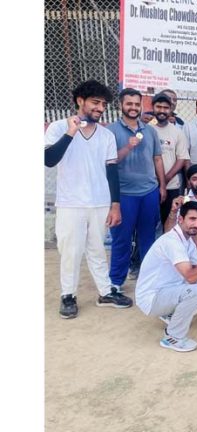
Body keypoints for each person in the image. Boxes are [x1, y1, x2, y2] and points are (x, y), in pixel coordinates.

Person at [44, 79, 132, 318]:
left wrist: (115, 204)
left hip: (100, 202)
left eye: (103, 104)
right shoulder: (58, 127)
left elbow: (111, 170)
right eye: (95, 102)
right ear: (79, 101)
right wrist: (71, 132)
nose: (100, 108)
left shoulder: (105, 135)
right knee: (71, 251)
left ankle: (105, 292)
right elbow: (49, 159)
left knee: (97, 250)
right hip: (71, 202)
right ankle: (68, 295)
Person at [135, 201, 197, 352]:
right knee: (195, 290)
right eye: (192, 219)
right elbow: (191, 277)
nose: (196, 224)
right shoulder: (172, 242)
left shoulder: (187, 241)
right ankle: (173, 337)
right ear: (181, 220)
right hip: (152, 298)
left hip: (169, 291)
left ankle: (171, 314)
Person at [107, 88, 167, 293]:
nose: (133, 108)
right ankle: (116, 282)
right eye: (129, 104)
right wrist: (128, 147)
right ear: (121, 105)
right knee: (121, 239)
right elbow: (109, 161)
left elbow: (157, 159)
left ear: (141, 105)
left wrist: (162, 186)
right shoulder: (111, 131)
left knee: (148, 238)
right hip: (124, 194)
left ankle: (148, 279)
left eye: (136, 104)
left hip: (149, 192)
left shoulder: (150, 131)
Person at [151, 92, 190, 226]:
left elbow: (182, 159)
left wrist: (165, 179)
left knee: (170, 222)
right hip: (149, 186)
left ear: (171, 109)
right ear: (153, 107)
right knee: (150, 223)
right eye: (159, 107)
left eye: (165, 108)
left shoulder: (177, 132)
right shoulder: (146, 130)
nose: (162, 111)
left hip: (172, 185)